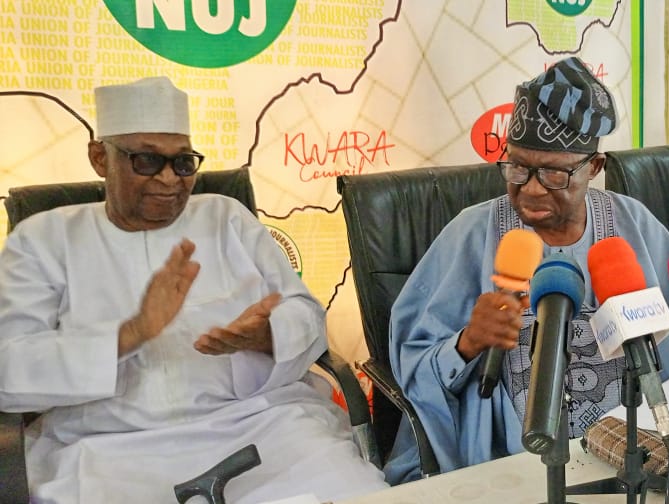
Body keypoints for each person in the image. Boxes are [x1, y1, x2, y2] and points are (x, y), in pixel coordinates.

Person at [0, 77, 386, 503]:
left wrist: (268, 335)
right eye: (147, 160)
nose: (170, 178)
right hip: (105, 450)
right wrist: (130, 335)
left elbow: (305, 313)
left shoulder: (226, 218)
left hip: (258, 427)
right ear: (99, 157)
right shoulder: (43, 241)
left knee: (353, 491)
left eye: (183, 163)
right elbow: (9, 369)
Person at [384, 57, 669, 485]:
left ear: (594, 168)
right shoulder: (470, 233)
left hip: (636, 452)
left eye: (554, 174)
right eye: (518, 167)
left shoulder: (633, 223)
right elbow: (412, 363)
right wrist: (467, 343)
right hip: (510, 463)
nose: (531, 188)